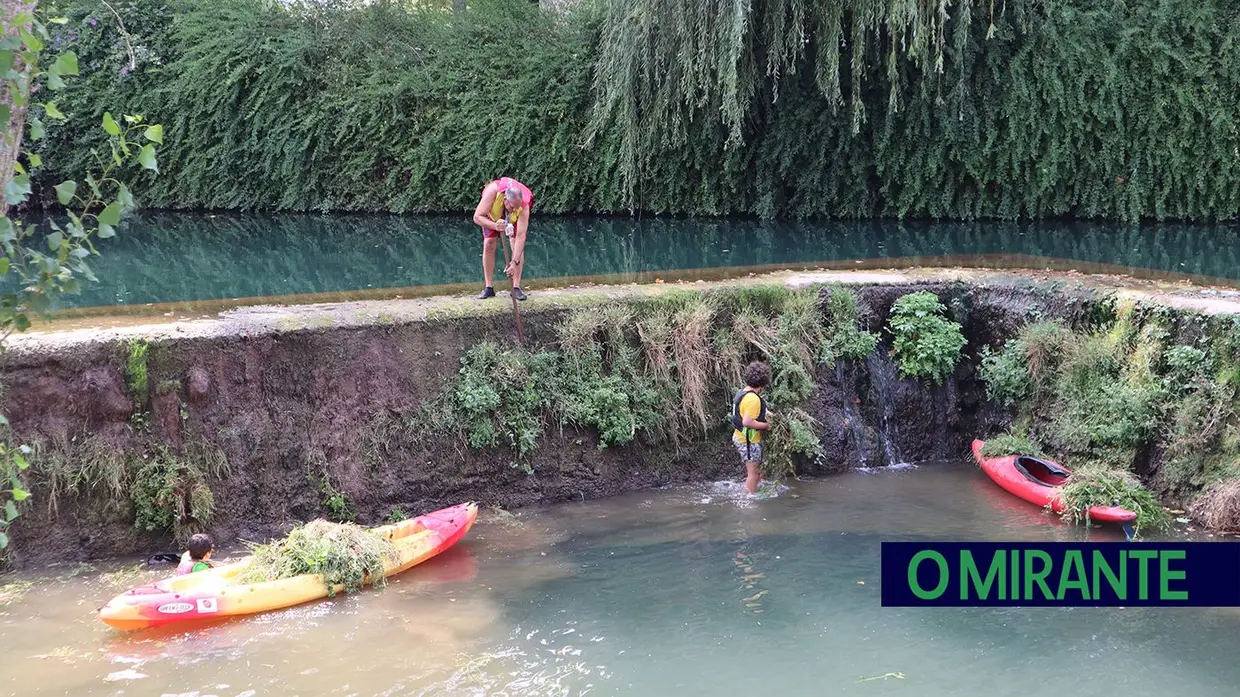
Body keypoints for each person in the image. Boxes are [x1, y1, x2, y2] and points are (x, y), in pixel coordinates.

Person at [471, 176, 533, 301]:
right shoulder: (492, 191)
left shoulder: (523, 205)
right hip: (492, 217)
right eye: (512, 207)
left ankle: (515, 288)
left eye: (517, 207)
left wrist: (514, 262)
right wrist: (494, 226)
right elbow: (477, 217)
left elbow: (521, 236)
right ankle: (488, 287)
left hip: (511, 222)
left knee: (516, 244)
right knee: (489, 243)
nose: (514, 210)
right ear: (505, 200)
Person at [731, 361, 773, 494]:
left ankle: (753, 490)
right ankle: (747, 504)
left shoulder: (744, 393)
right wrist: (767, 425)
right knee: (753, 475)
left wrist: (770, 415)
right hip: (748, 441)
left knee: (757, 472)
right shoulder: (753, 399)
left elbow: (753, 411)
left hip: (742, 437)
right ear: (764, 382)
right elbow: (747, 422)